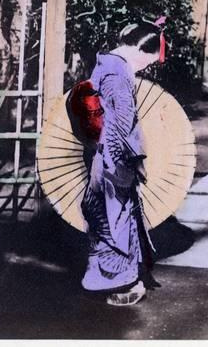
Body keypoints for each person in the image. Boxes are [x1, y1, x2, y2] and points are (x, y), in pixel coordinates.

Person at [68, 18, 166, 306]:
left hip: (102, 153)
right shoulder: (118, 74)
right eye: (148, 61)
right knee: (116, 218)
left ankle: (118, 278)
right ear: (140, 50)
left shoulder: (107, 63)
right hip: (114, 156)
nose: (146, 67)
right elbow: (121, 124)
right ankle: (127, 283)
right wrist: (130, 160)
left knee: (107, 216)